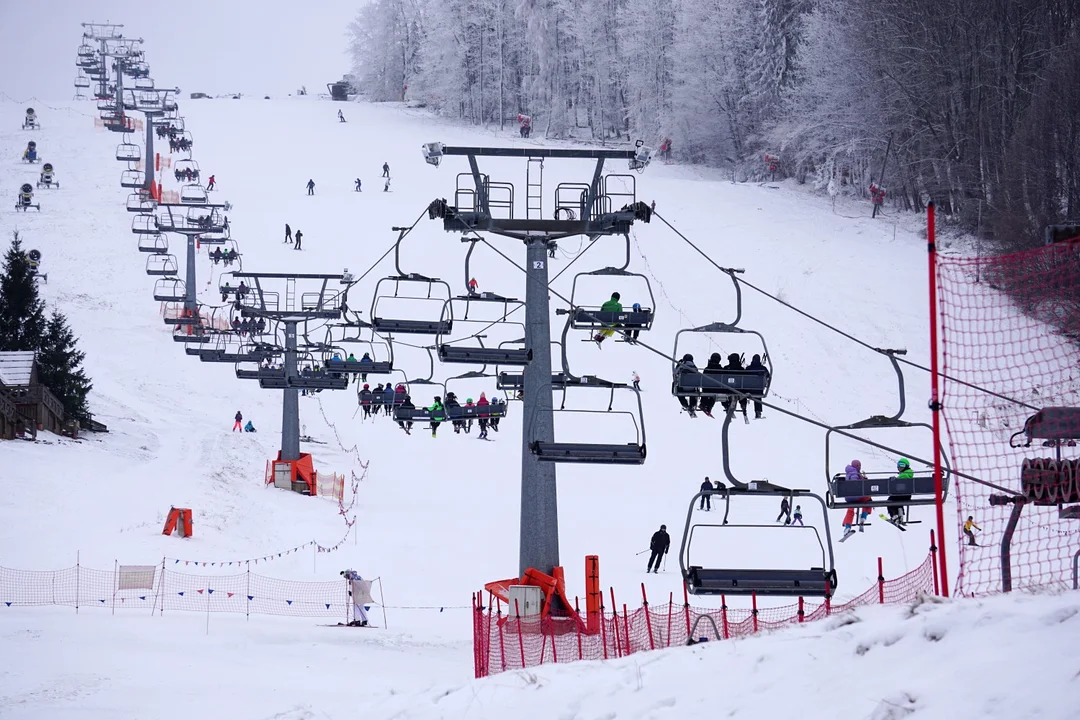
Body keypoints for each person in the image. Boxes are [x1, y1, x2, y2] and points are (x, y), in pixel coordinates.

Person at [721, 353, 749, 418]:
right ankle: (743, 405)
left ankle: (727, 406)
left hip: (727, 389)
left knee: (723, 396)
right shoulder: (741, 369)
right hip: (739, 389)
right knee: (743, 394)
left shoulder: (726, 368)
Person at [887, 458, 915, 524]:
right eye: (898, 464)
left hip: (900, 495)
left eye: (902, 464)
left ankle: (894, 515)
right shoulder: (910, 474)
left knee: (890, 501)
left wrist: (894, 480)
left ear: (906, 466)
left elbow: (897, 484)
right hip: (907, 496)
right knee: (899, 502)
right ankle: (900, 514)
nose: (899, 466)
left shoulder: (904, 475)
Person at [699, 352, 723, 418]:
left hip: (706, 387)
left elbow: (703, 378)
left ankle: (703, 404)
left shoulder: (707, 368)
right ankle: (708, 408)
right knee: (713, 396)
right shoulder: (720, 368)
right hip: (716, 387)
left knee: (706, 392)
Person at [747, 354, 768, 419]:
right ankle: (758, 411)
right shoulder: (763, 368)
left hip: (748, 388)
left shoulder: (749, 368)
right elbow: (768, 375)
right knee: (758, 397)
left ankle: (743, 408)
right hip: (759, 389)